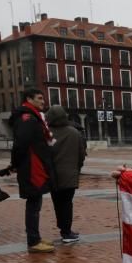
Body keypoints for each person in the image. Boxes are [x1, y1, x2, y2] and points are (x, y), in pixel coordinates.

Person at [4, 88, 56, 253]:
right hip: (32, 167)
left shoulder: (31, 116)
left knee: (35, 203)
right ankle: (33, 241)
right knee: (33, 204)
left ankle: (35, 238)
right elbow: (21, 144)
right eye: (40, 98)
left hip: (33, 165)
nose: (43, 101)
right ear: (29, 99)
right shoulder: (27, 118)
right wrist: (15, 164)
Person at [47, 105, 87, 244]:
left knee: (57, 202)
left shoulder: (47, 133)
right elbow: (81, 154)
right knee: (67, 203)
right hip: (70, 174)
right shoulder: (74, 132)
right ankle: (66, 232)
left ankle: (62, 227)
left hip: (52, 175)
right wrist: (77, 168)